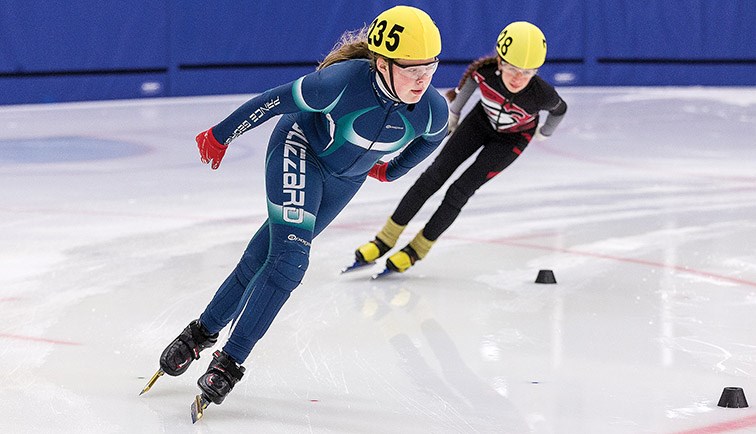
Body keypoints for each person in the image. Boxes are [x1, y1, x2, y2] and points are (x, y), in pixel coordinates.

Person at [151, 6, 448, 407]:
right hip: (299, 150)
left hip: (344, 181)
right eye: (412, 69)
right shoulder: (341, 82)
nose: (423, 79)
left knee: (263, 258)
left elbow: (433, 138)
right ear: (381, 63)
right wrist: (221, 135)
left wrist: (391, 171)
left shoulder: (432, 110)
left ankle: (199, 334)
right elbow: (275, 101)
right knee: (290, 261)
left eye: (429, 68)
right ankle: (229, 362)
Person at [352, 21, 567, 274]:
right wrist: (454, 115)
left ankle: (417, 249)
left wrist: (545, 132)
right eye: (511, 68)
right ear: (499, 62)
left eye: (528, 72)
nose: (518, 78)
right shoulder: (484, 72)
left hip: (512, 140)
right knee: (432, 176)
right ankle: (384, 239)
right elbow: (469, 85)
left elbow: (560, 109)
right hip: (479, 122)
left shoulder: (542, 94)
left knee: (459, 191)